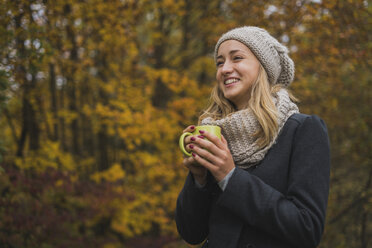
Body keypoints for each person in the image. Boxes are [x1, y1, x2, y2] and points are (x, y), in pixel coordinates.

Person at [175, 26, 330, 248]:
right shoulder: (217, 134)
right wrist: (199, 179)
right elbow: (191, 233)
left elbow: (307, 228)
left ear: (263, 67)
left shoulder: (303, 130)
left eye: (236, 58)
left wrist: (230, 177)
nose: (225, 69)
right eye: (220, 62)